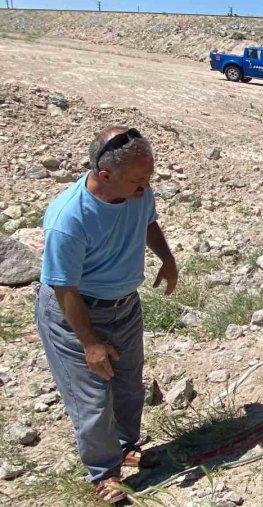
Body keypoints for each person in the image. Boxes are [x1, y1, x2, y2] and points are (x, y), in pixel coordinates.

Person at [35, 126, 177, 504]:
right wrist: (89, 343)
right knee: (93, 398)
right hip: (77, 314)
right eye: (138, 179)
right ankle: (104, 474)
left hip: (124, 306)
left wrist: (167, 258)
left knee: (129, 384)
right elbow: (64, 288)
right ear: (105, 175)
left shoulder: (136, 193)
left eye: (149, 177)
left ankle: (125, 446)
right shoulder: (68, 219)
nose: (146, 186)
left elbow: (148, 222)